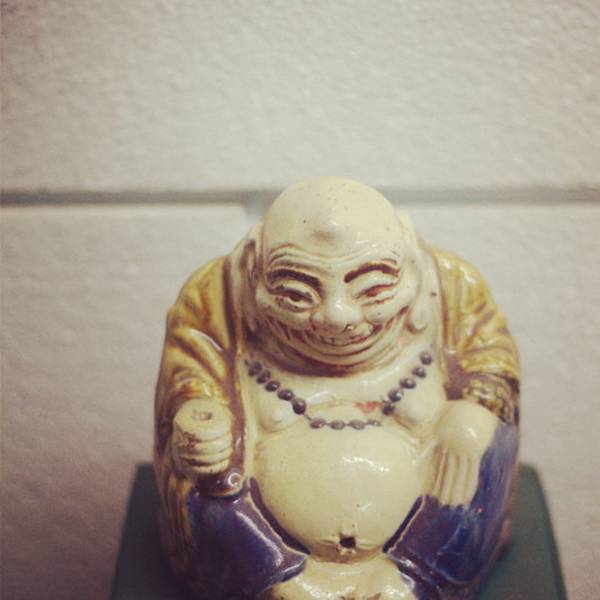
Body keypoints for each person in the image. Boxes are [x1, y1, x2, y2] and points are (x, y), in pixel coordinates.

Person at [154, 177, 520, 600]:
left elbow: (490, 360)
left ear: (411, 260)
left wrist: (477, 407)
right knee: (205, 461)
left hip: (427, 543)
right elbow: (191, 376)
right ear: (254, 265)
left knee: (477, 431)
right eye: (297, 293)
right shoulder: (216, 296)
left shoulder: (454, 288)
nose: (336, 317)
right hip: (265, 554)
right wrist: (199, 420)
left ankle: (417, 575)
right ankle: (276, 579)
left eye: (372, 289)